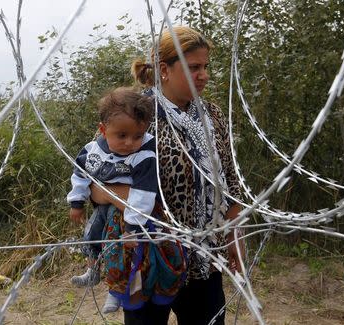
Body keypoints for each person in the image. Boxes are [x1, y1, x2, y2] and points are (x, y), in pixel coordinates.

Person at [90, 26, 244, 325]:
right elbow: (96, 184)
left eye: (205, 67)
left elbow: (231, 179)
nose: (204, 75)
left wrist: (234, 233)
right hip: (150, 258)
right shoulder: (135, 116)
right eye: (194, 67)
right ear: (164, 69)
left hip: (204, 257)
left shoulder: (211, 115)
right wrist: (137, 208)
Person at [67, 87, 185, 314]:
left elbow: (142, 196)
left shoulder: (145, 156)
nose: (130, 143)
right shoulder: (92, 150)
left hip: (130, 217)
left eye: (138, 136)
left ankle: (115, 293)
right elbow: (80, 175)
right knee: (91, 235)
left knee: (120, 252)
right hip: (103, 208)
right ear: (103, 130)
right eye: (122, 136)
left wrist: (133, 227)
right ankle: (92, 270)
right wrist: (77, 202)